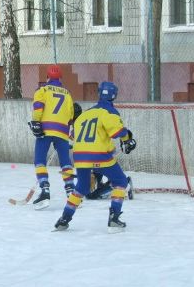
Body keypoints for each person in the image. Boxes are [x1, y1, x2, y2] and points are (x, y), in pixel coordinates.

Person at [53, 81, 136, 233]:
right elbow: (118, 132)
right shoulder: (109, 112)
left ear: (99, 93)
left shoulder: (85, 114)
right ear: (114, 96)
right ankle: (114, 218)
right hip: (99, 155)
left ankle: (64, 219)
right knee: (120, 182)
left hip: (79, 156)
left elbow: (73, 135)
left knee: (81, 187)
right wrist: (127, 140)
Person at [28, 65, 75, 209]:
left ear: (47, 77)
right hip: (62, 131)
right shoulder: (67, 93)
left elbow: (38, 108)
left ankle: (45, 190)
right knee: (66, 162)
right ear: (60, 78)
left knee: (40, 161)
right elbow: (71, 115)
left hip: (45, 130)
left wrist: (36, 122)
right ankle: (71, 193)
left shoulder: (42, 90)